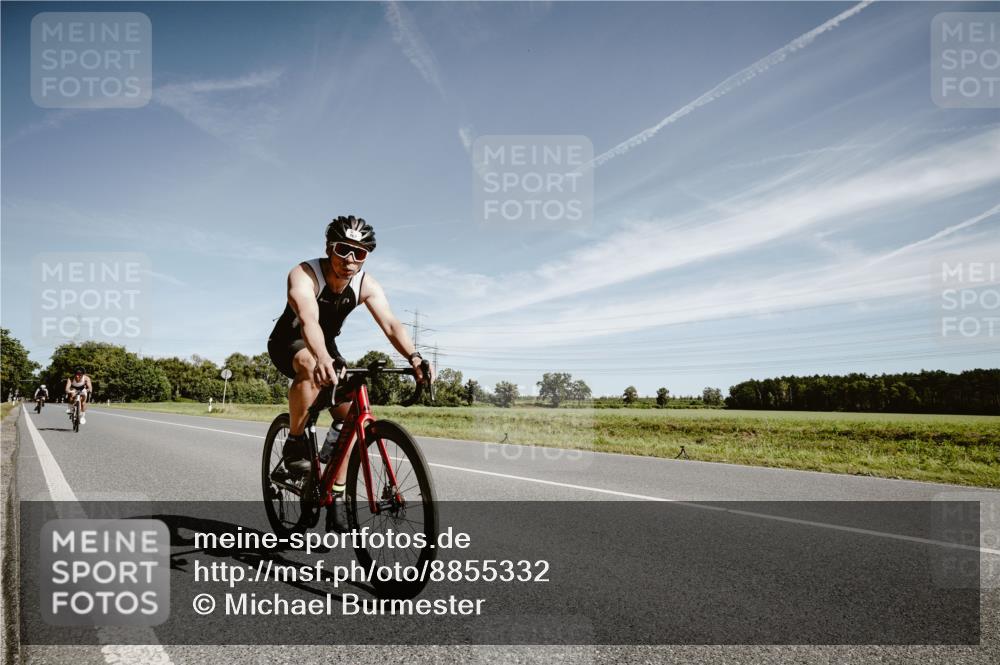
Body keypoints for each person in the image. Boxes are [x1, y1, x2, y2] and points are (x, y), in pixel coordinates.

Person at [267, 215, 432, 527]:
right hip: (290, 340)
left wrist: (414, 356)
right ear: (329, 248)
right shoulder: (304, 274)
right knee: (310, 365)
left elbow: (391, 324)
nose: (350, 259)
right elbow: (308, 319)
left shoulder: (366, 284)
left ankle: (337, 493)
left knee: (350, 417)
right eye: (343, 249)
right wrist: (321, 357)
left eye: (359, 253)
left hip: (325, 345)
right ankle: (295, 443)